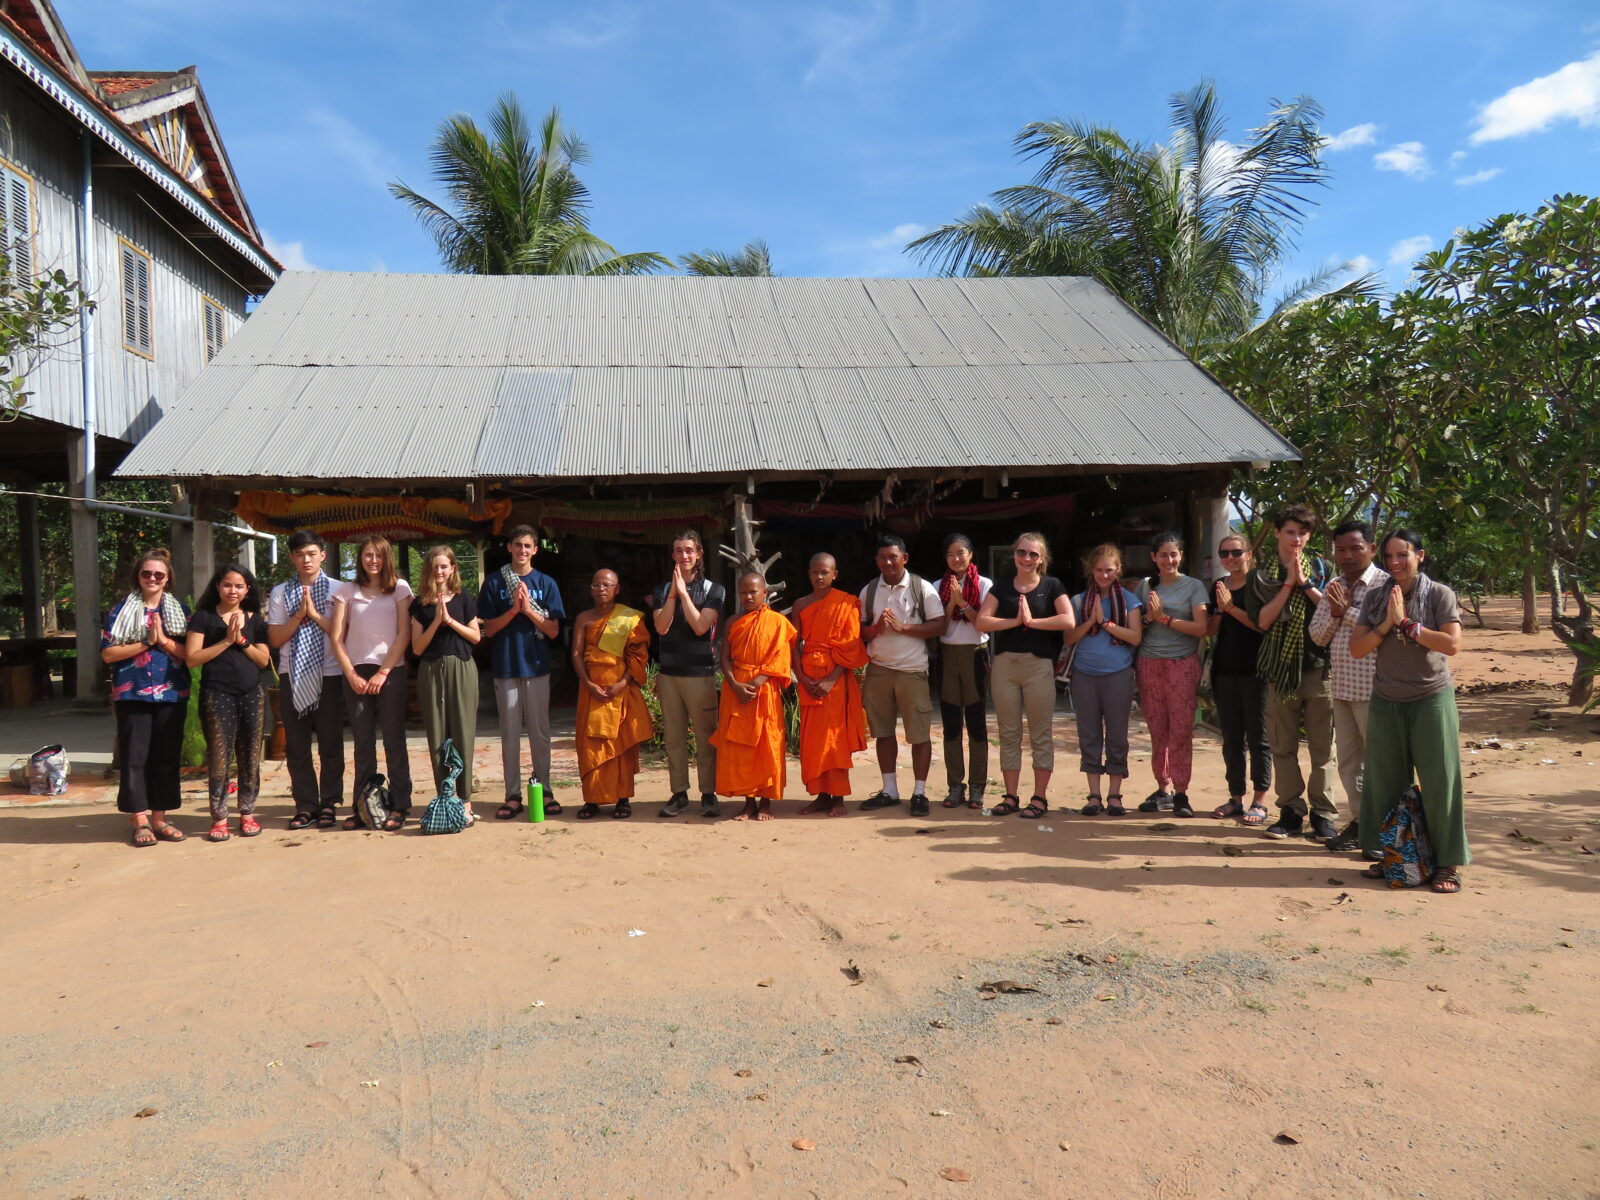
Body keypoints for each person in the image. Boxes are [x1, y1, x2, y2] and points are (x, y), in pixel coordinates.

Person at [1349, 530, 1468, 893]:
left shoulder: (1439, 594)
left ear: (1421, 555)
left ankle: (1448, 864)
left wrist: (1405, 624)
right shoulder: (1375, 597)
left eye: (1403, 555)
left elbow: (1451, 644)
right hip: (1386, 699)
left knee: (1439, 782)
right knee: (1384, 783)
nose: (1395, 562)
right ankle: (1393, 857)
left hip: (1430, 698)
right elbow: (1358, 648)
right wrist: (1387, 621)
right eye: (1389, 556)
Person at [1245, 505, 1337, 841]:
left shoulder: (1323, 568)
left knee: (1323, 748)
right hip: (1280, 671)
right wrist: (1287, 584)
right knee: (1283, 746)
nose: (1296, 539)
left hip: (1318, 669)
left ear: (1309, 535)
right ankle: (1290, 812)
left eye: (1302, 532)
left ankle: (1324, 814)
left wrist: (1306, 583)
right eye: (1289, 532)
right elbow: (1264, 621)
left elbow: (1333, 610)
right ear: (1278, 534)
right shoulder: (1261, 576)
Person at [974, 532, 1074, 819]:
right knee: (1008, 733)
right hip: (1005, 665)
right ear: (1014, 554)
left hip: (1038, 665)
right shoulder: (1003, 586)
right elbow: (983, 620)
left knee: (1040, 734)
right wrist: (1015, 622)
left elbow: (1068, 620)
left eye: (1033, 554)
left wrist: (1032, 622)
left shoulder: (1052, 585)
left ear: (1042, 559)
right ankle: (1010, 795)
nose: (1027, 558)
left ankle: (1039, 798)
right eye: (1022, 552)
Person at [1308, 520, 1387, 853]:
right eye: (1341, 549)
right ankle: (1361, 824)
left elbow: (1386, 626)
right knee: (1349, 763)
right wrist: (1337, 613)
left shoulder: (1386, 585)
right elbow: (1317, 633)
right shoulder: (1335, 585)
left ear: (1372, 548)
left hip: (1377, 689)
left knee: (1381, 763)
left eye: (1356, 548)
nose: (1348, 555)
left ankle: (1385, 831)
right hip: (1341, 687)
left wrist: (1347, 611)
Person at [102, 548, 190, 846]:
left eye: (158, 574)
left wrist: (162, 640)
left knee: (165, 758)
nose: (152, 578)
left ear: (168, 579)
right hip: (132, 692)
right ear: (138, 576)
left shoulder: (180, 612)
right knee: (134, 758)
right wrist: (145, 642)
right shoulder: (120, 611)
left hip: (171, 693)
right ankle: (139, 820)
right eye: (146, 573)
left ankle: (160, 819)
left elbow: (189, 655)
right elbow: (109, 653)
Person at [478, 525, 566, 819]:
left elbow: (554, 630)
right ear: (509, 548)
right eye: (518, 545)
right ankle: (512, 794)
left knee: (540, 733)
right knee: (510, 734)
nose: (523, 550)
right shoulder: (493, 583)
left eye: (528, 546)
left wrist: (528, 610)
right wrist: (514, 610)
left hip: (537, 666)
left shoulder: (547, 583)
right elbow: (488, 628)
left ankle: (546, 789)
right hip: (506, 666)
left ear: (535, 550)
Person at [858, 535, 947, 816]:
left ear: (904, 558)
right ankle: (889, 790)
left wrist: (903, 627)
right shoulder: (869, 591)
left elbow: (940, 626)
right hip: (879, 669)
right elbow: (860, 632)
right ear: (877, 561)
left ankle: (919, 793)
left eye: (893, 557)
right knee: (883, 733)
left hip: (912, 671)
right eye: (883, 557)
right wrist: (876, 628)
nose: (888, 562)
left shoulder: (922, 588)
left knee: (919, 735)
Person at [185, 563, 271, 842]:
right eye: (227, 584)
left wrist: (243, 641)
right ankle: (219, 817)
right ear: (217, 586)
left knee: (249, 757)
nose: (232, 590)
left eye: (239, 586)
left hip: (251, 693)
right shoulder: (204, 618)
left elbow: (263, 660)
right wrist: (226, 640)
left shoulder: (255, 619)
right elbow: (193, 658)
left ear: (247, 590)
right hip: (217, 694)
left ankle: (247, 812)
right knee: (220, 759)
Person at [331, 537, 413, 831]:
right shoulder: (346, 591)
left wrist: (383, 672)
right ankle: (362, 806)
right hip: (356, 671)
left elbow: (404, 634)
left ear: (387, 558)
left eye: (378, 556)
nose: (373, 561)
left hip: (391, 670)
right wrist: (351, 673)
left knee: (393, 738)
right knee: (363, 742)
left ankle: (400, 805)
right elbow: (336, 637)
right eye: (367, 555)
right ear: (360, 558)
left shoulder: (400, 589)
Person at [267, 530, 345, 830]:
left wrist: (313, 613)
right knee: (297, 746)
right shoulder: (279, 592)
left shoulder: (339, 590)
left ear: (322, 554)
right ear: (292, 558)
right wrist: (299, 615)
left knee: (330, 742)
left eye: (311, 553)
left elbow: (342, 634)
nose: (306, 559)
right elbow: (275, 637)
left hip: (330, 674)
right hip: (293, 675)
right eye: (300, 554)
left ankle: (329, 803)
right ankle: (305, 805)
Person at [1132, 532, 1211, 818]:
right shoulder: (1145, 586)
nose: (1169, 560)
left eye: (1173, 554)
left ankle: (1181, 792)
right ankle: (1162, 788)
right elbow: (1139, 624)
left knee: (1180, 730)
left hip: (1182, 663)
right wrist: (1147, 617)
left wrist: (1165, 617)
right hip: (1149, 663)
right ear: (1153, 557)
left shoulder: (1193, 587)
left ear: (1181, 556)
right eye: (1163, 555)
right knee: (1157, 730)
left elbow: (1201, 628)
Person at [648, 529, 724, 819]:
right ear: (673, 555)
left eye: (689, 550)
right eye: (679, 550)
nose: (684, 556)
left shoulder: (713, 590)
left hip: (700, 674)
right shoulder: (660, 590)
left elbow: (700, 626)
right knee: (674, 738)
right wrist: (671, 594)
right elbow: (661, 627)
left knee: (705, 737)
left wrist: (684, 594)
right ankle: (679, 793)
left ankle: (708, 793)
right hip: (669, 675)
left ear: (699, 555)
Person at [1063, 545, 1142, 816]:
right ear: (1091, 570)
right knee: (1089, 735)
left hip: (1118, 674)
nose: (1104, 575)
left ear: (1119, 569)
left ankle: (1115, 795)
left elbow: (1135, 637)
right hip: (1085, 674)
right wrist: (1090, 621)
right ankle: (1094, 795)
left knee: (1117, 735)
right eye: (1099, 570)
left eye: (1110, 569)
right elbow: (1069, 638)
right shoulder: (1078, 601)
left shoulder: (1130, 601)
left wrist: (1106, 623)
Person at [712, 571, 797, 821]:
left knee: (766, 745)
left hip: (765, 690)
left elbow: (782, 658)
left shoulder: (777, 622)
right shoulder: (733, 621)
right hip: (736, 689)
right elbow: (724, 659)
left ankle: (766, 802)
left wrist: (758, 682)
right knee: (740, 747)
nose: (748, 596)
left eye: (753, 592)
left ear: (765, 593)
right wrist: (736, 684)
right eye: (743, 592)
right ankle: (748, 802)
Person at [571, 569, 653, 820]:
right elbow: (576, 654)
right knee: (590, 744)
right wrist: (587, 683)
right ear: (591, 589)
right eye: (596, 585)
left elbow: (638, 655)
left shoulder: (628, 618)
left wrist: (623, 682)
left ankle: (622, 799)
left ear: (617, 588)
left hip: (620, 689)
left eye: (607, 585)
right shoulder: (584, 618)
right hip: (591, 689)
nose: (601, 589)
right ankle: (592, 800)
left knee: (620, 745)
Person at [792, 553, 868, 816]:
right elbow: (793, 644)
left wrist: (830, 679)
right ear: (809, 573)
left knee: (834, 739)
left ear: (834, 574)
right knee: (813, 740)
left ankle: (838, 797)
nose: (819, 577)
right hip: (808, 676)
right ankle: (821, 795)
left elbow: (851, 646)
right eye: (815, 572)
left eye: (825, 572)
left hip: (834, 681)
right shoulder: (801, 604)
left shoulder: (846, 603)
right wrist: (801, 677)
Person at [411, 546, 482, 819]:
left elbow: (475, 637)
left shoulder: (464, 598)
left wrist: (450, 620)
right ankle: (445, 796)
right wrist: (436, 621)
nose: (439, 571)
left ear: (453, 568)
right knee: (438, 736)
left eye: (444, 566)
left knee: (463, 733)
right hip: (431, 671)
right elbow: (417, 648)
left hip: (462, 667)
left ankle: (464, 799)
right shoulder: (420, 604)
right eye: (434, 566)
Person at [1207, 534, 1272, 824]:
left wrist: (1232, 607)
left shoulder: (1260, 583)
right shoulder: (1218, 586)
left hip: (1255, 669)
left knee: (1258, 737)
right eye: (1224, 553)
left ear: (1248, 553)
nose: (1230, 558)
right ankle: (1236, 797)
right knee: (1231, 739)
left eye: (1235, 552)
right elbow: (1211, 630)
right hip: (1224, 669)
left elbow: (1263, 626)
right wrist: (1221, 610)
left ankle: (1259, 802)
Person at [935, 533, 993, 810]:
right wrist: (951, 603)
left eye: (961, 553)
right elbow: (939, 627)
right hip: (948, 655)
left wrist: (964, 604)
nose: (956, 558)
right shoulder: (938, 585)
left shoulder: (984, 584)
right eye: (950, 554)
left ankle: (978, 786)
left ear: (971, 555)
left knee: (976, 723)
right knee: (950, 724)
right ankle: (955, 785)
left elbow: (982, 624)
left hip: (974, 654)